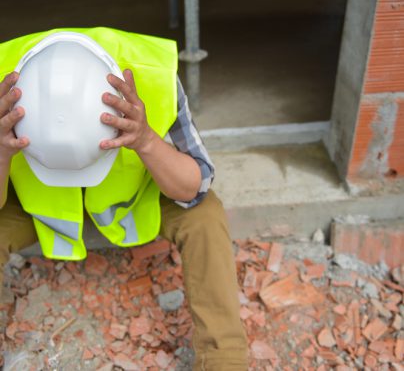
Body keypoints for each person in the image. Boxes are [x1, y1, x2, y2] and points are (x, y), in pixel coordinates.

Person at [0, 28, 248, 370]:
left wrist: (146, 140)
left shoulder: (154, 76)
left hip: (133, 198)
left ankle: (225, 361)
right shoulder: (3, 87)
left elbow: (196, 187)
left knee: (204, 216)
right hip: (38, 205)